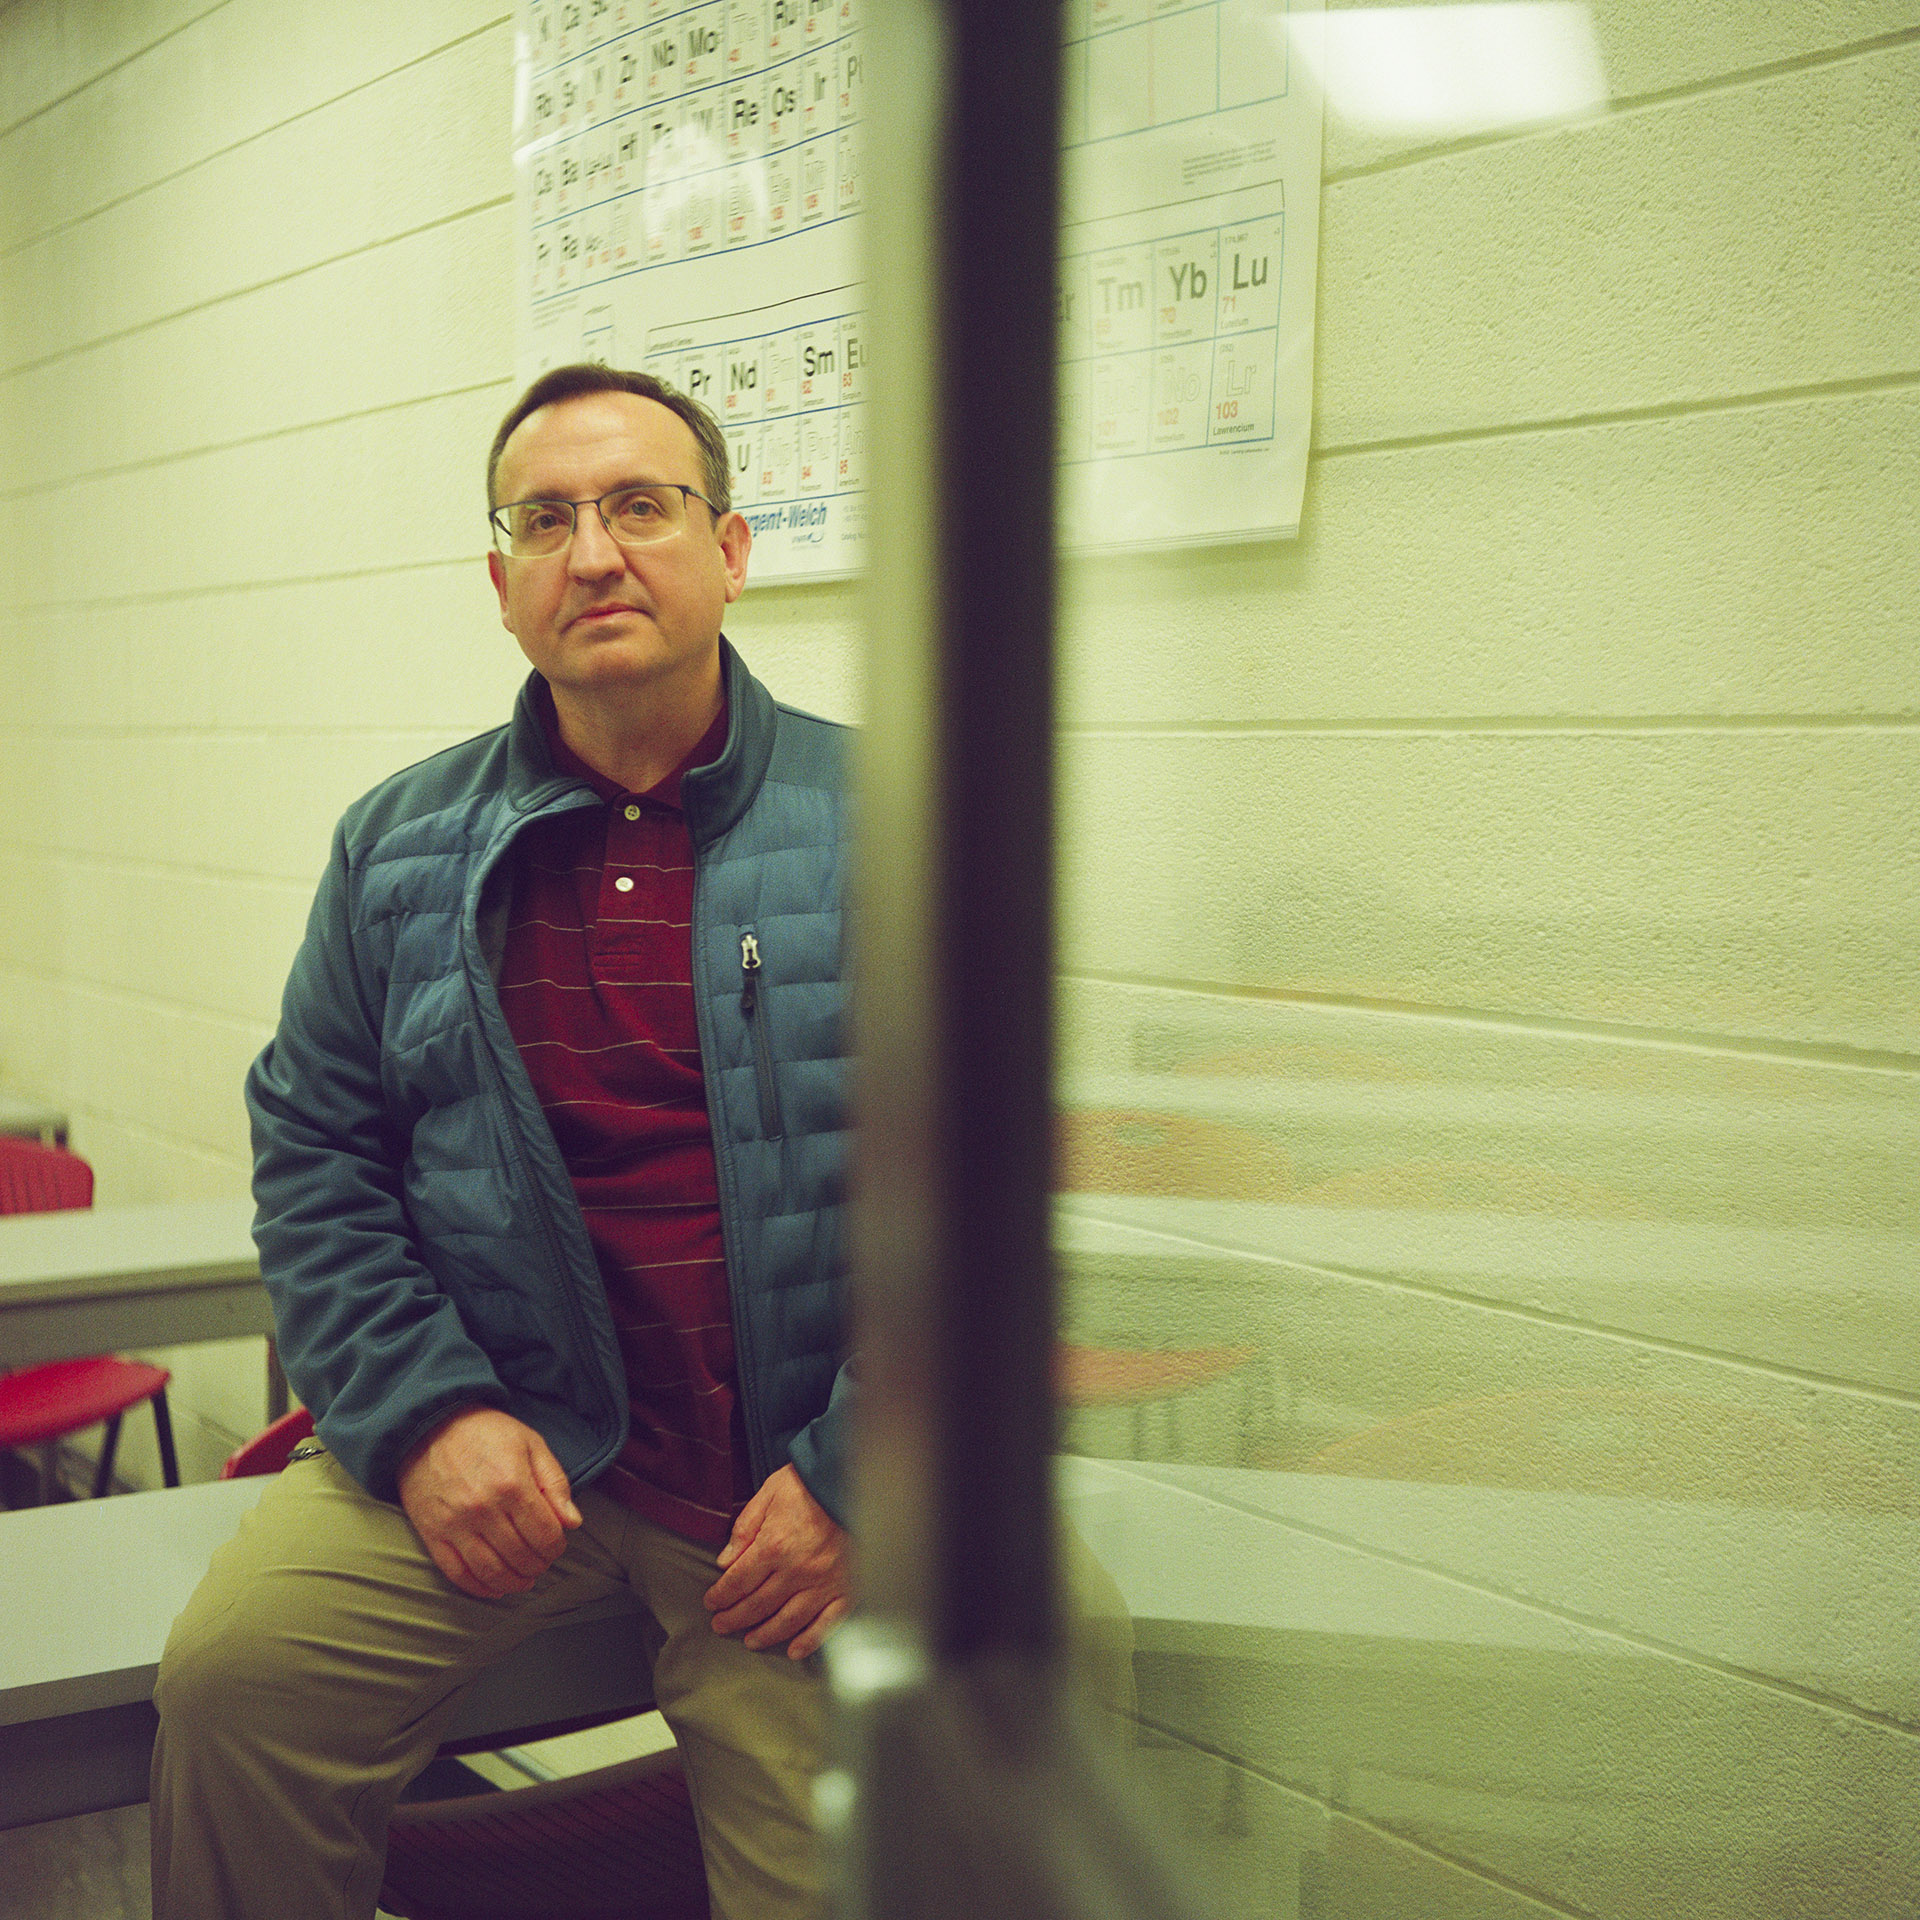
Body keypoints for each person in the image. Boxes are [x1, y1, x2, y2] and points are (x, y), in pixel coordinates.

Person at [150, 364, 853, 1920]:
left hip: (778, 1479)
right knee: (232, 1687)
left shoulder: (889, 818)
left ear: (730, 549)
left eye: (640, 507)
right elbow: (316, 1154)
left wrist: (864, 1472)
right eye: (547, 519)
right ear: (501, 582)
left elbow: (994, 1191)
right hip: (509, 1436)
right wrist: (424, 1416)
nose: (593, 552)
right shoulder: (396, 842)